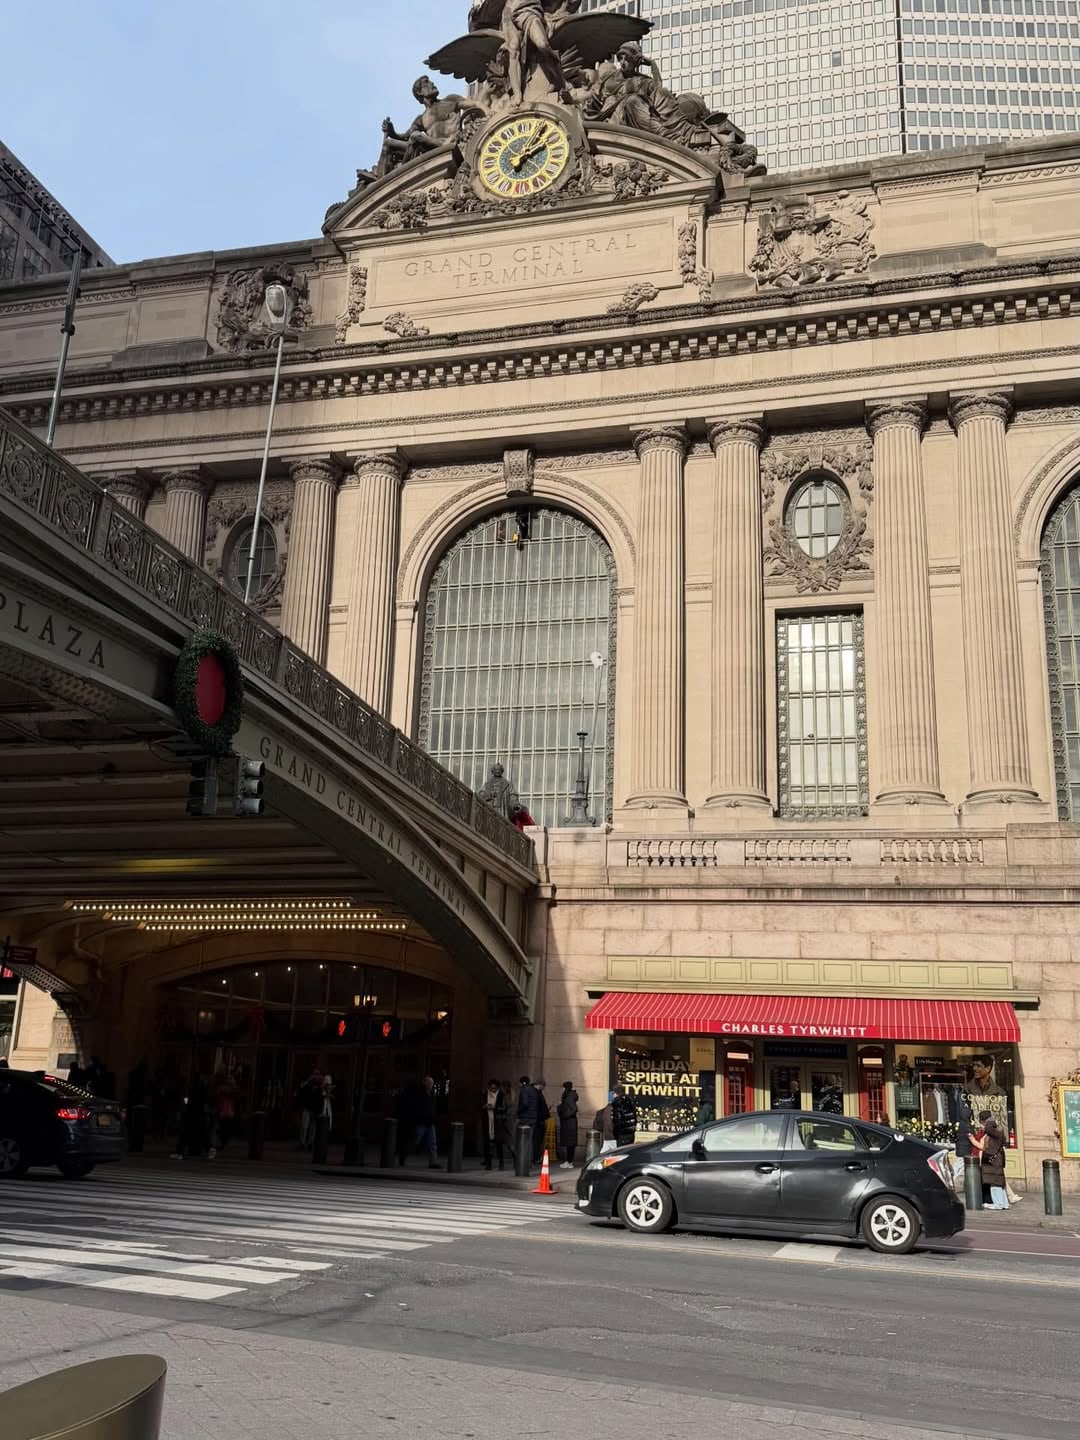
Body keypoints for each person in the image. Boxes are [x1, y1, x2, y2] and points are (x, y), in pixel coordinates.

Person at [974, 1110, 1009, 1209]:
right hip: (996, 1158)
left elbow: (988, 1129)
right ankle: (1004, 1203)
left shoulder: (993, 1129)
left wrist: (988, 1122)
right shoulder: (997, 1128)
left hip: (993, 1158)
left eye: (982, 1122)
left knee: (994, 1182)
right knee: (998, 1182)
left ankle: (998, 1203)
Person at [172, 1073, 209, 1160]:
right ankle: (180, 1151)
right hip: (195, 1115)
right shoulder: (202, 1089)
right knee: (192, 1134)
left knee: (188, 1133)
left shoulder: (195, 1090)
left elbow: (190, 1102)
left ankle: (180, 1151)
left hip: (192, 1115)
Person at [208, 1068, 238, 1159]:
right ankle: (213, 1147)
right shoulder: (221, 1087)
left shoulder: (230, 1089)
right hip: (222, 1112)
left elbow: (234, 1095)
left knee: (223, 1131)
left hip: (227, 1112)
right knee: (217, 1130)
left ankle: (216, 1146)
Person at [415, 1074, 441, 1169]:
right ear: (425, 1083)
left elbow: (432, 1108)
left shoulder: (432, 1094)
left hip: (430, 1122)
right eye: (430, 1083)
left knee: (433, 1143)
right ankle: (403, 1154)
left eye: (432, 1083)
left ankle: (433, 1162)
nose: (431, 1085)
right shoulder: (420, 1094)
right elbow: (418, 1108)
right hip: (421, 1122)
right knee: (415, 1140)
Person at [481, 1077, 507, 1170]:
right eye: (491, 1088)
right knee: (487, 1143)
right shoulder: (485, 1094)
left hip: (498, 1121)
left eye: (494, 1088)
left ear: (497, 1088)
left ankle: (501, 1162)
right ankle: (488, 1163)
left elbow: (504, 1108)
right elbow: (479, 1106)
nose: (492, 1090)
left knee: (498, 1142)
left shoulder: (501, 1095)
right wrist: (484, 1106)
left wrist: (494, 1108)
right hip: (487, 1121)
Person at [297, 1067, 323, 1151]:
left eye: (317, 1074)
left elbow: (321, 1097)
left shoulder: (320, 1084)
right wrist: (309, 1080)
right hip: (307, 1107)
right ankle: (302, 1142)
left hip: (315, 1109)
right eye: (314, 1074)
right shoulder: (307, 1083)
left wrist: (319, 1109)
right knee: (304, 1126)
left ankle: (310, 1143)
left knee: (313, 1127)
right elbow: (301, 1091)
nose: (316, 1076)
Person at [557, 1080, 579, 1169]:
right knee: (570, 1143)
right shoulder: (571, 1096)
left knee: (569, 1143)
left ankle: (569, 1162)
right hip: (570, 1122)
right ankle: (569, 1161)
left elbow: (574, 1109)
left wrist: (564, 1115)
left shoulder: (569, 1097)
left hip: (569, 1123)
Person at [533, 1078, 552, 1162]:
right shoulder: (536, 1093)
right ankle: (536, 1157)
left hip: (540, 1119)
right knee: (537, 1140)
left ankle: (537, 1157)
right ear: (540, 1085)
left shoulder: (537, 1093)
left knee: (538, 1140)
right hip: (538, 1120)